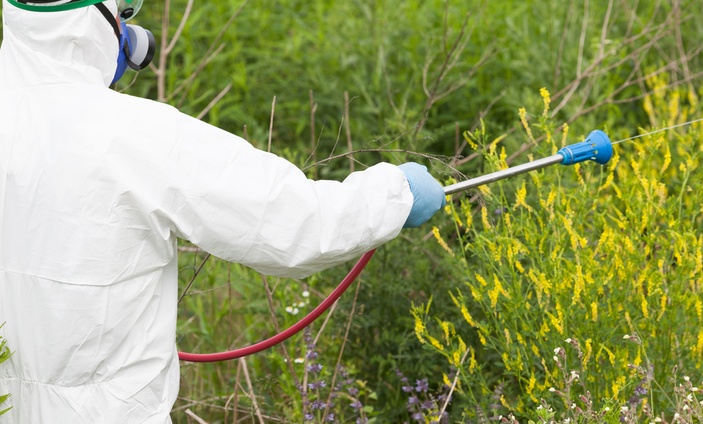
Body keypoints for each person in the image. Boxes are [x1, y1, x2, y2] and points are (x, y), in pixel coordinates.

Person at [0, 0, 446, 421]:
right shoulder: (139, 136)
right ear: (97, 18)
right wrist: (394, 194)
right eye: (124, 12)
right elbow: (294, 222)